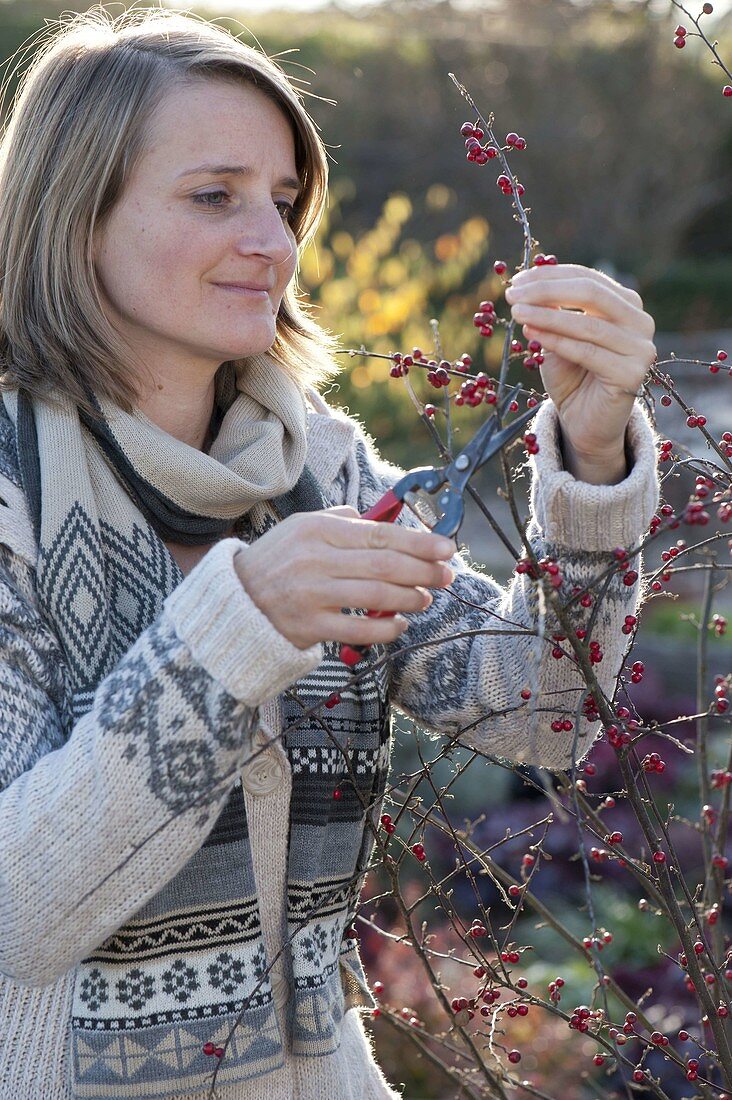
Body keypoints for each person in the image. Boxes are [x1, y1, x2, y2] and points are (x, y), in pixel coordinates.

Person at [0, 7, 660, 1100]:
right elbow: (19, 912)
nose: (273, 239)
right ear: (75, 217)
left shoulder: (323, 463)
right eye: (216, 194)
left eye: (284, 199)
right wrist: (234, 625)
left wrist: (592, 458)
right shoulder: (13, 495)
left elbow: (541, 710)